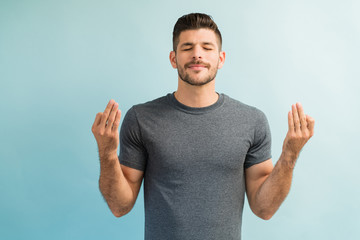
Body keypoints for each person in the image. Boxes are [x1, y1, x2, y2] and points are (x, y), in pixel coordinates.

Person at [91, 13, 315, 240]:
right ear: (173, 58)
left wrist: (289, 155)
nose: (197, 54)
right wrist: (107, 153)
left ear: (221, 58)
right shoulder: (141, 118)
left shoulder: (252, 121)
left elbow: (264, 208)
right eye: (187, 47)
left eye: (207, 48)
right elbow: (120, 206)